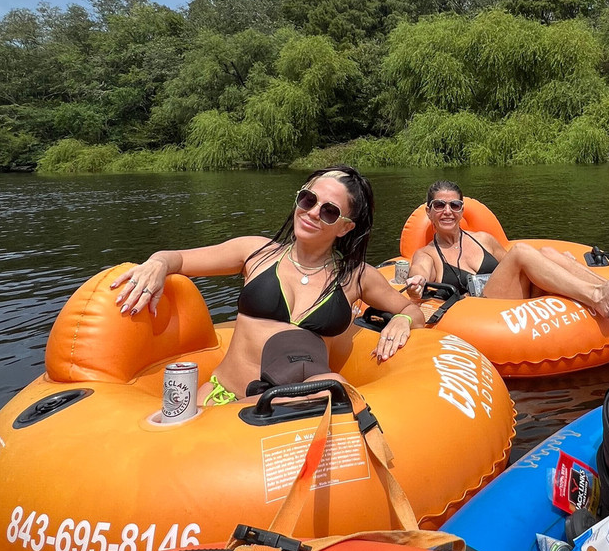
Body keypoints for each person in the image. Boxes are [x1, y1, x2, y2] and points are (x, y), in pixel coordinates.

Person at [110, 166, 424, 406]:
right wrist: (157, 263)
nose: (312, 212)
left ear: (344, 227)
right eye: (308, 199)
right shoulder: (255, 252)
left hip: (298, 405)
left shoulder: (356, 276)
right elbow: (177, 258)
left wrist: (403, 319)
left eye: (329, 211)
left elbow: (412, 308)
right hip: (226, 401)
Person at [404, 180, 609, 318]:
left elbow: (513, 268)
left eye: (454, 205)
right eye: (439, 205)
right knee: (521, 252)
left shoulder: (483, 239)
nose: (447, 211)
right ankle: (597, 296)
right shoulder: (427, 254)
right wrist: (417, 283)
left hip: (513, 297)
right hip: (483, 310)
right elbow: (420, 273)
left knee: (548, 254)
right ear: (429, 211)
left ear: (461, 210)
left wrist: (554, 263)